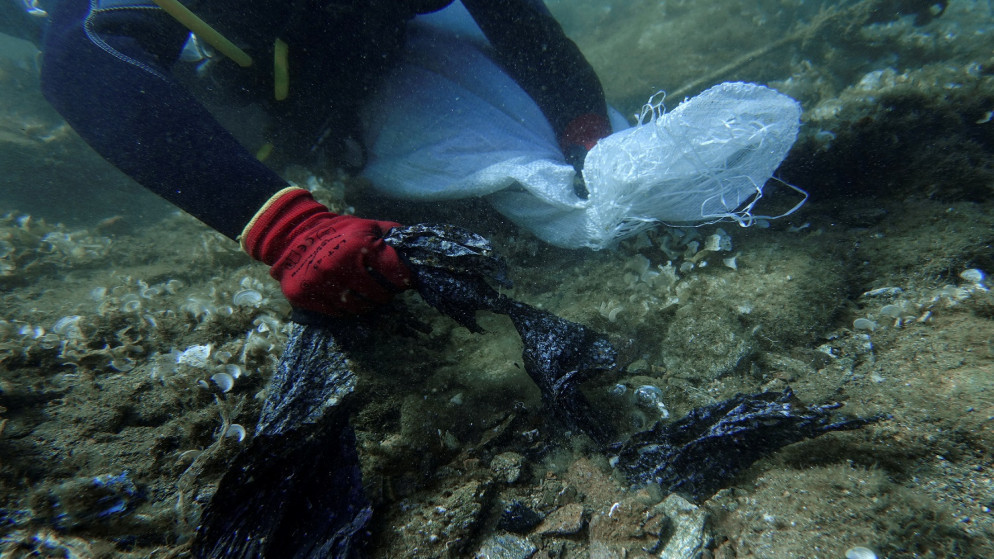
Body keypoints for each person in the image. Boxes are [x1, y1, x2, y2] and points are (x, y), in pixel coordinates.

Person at [25, 0, 611, 317]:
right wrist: (281, 224)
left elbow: (516, 18)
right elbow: (82, 61)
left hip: (362, 52)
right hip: (241, 85)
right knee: (52, 28)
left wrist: (582, 119)